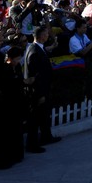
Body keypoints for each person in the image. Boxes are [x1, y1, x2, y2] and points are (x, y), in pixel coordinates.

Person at [25, 25, 61, 153]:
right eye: (46, 34)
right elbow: (34, 74)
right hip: (38, 91)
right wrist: (39, 94)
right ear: (40, 36)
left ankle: (46, 137)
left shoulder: (38, 48)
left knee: (44, 115)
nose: (47, 35)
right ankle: (32, 144)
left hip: (44, 88)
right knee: (35, 118)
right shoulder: (34, 51)